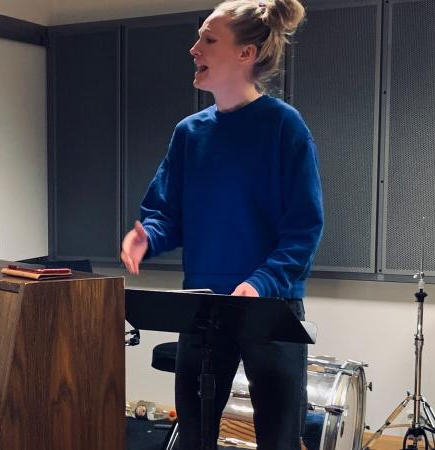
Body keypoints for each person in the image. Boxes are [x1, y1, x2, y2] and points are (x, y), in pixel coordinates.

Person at [119, 1, 323, 448]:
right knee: (195, 438)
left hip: (270, 310)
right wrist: (148, 236)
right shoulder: (189, 134)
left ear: (245, 54)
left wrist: (263, 281)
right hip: (203, 310)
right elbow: (166, 214)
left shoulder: (285, 128)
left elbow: (304, 227)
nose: (194, 49)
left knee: (278, 441)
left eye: (208, 39)